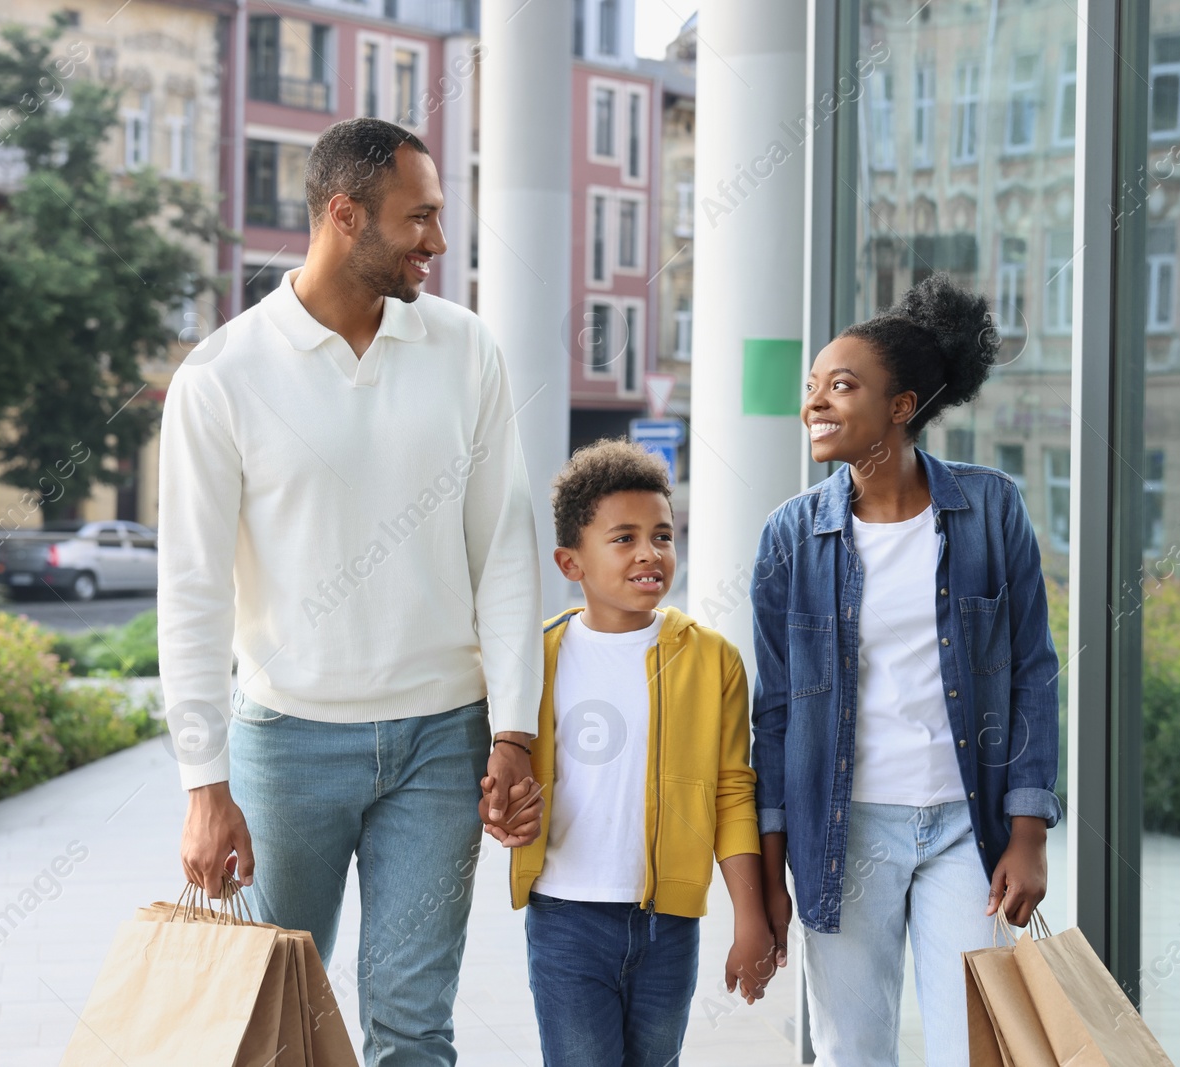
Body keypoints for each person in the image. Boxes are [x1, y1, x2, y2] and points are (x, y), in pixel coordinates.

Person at [160, 117, 544, 1065]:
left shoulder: (466, 351)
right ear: (345, 215)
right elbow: (193, 592)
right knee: (273, 1020)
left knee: (413, 1024)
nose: (438, 244)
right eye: (420, 219)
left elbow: (503, 549)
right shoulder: (221, 378)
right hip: (287, 747)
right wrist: (203, 784)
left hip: (440, 743)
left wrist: (515, 730)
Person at [751, 273, 1062, 1066]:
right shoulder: (792, 536)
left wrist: (1028, 829)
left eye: (841, 385)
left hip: (968, 825)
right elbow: (777, 712)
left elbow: (1032, 668)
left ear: (901, 405)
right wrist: (772, 873)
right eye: (812, 386)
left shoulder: (992, 509)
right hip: (843, 831)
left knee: (977, 1045)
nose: (815, 402)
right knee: (852, 1051)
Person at [510, 440, 775, 1067]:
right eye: (623, 538)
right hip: (566, 919)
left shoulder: (712, 660)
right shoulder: (533, 660)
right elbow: (500, 770)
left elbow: (733, 792)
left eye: (663, 534)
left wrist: (750, 916)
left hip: (670, 926)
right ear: (570, 562)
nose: (649, 553)